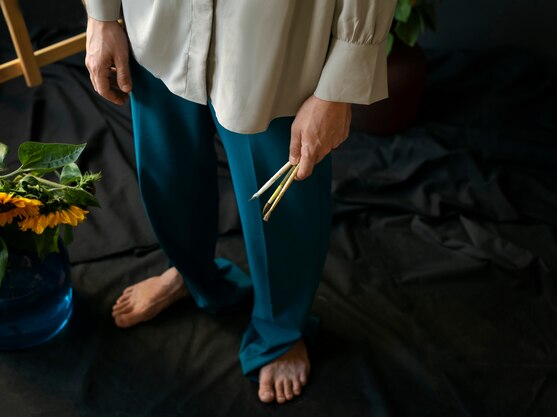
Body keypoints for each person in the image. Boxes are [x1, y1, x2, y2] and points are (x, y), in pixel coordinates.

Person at [85, 0, 395, 404]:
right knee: (168, 177)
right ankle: (191, 274)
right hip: (156, 24)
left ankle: (279, 330)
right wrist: (102, 14)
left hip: (277, 46)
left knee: (284, 211)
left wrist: (339, 85)